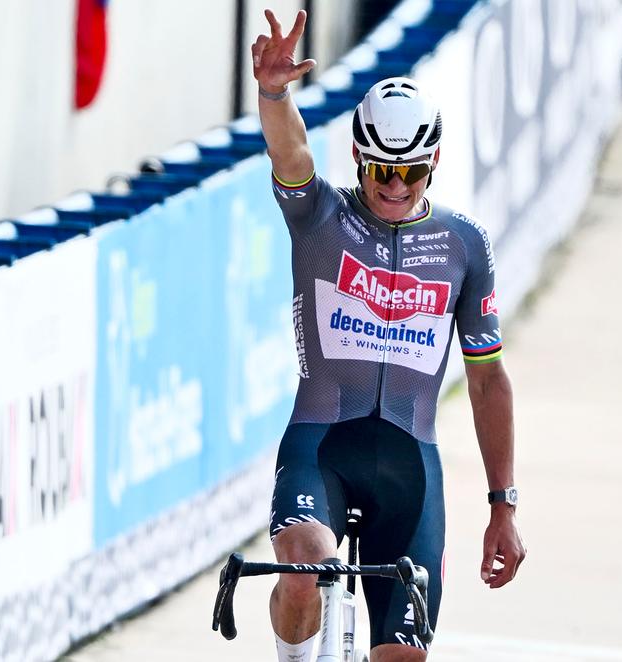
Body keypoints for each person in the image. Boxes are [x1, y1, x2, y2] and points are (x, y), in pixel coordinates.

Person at [252, 9, 526, 662]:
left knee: (403, 655)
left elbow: (487, 379)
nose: (396, 187)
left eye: (411, 172)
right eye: (381, 172)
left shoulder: (464, 245)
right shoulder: (321, 216)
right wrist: (272, 94)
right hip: (322, 448)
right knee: (304, 568)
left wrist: (503, 505)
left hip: (411, 466)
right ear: (359, 159)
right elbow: (290, 151)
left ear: (433, 160)